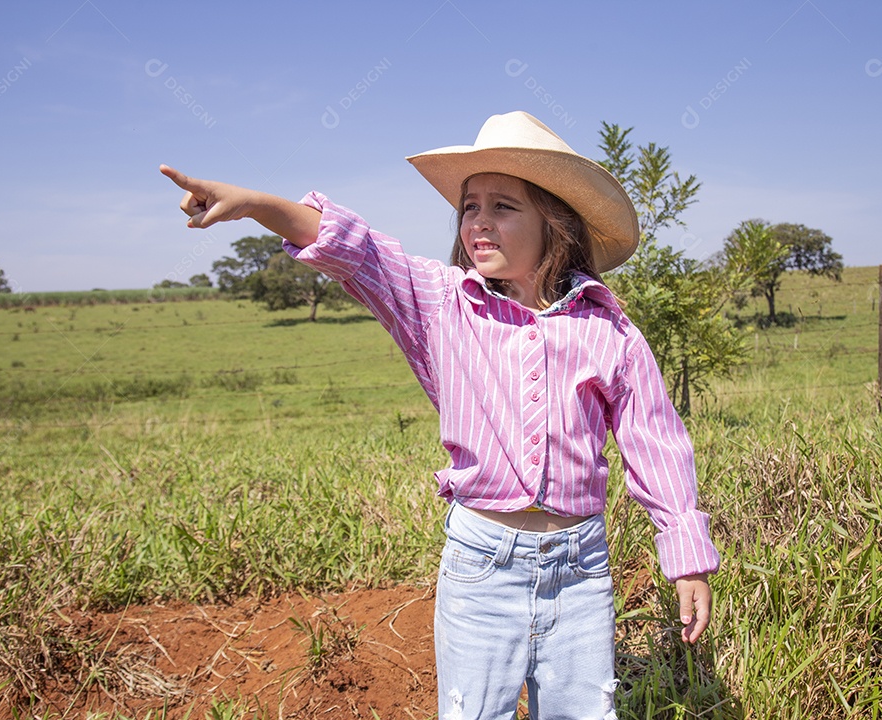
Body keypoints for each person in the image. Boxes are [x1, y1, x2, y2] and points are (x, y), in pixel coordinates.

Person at [161, 111, 719, 720]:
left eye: (503, 206)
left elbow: (654, 440)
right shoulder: (441, 305)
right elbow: (357, 250)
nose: (479, 221)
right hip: (483, 565)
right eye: (469, 206)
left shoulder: (608, 329)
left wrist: (686, 555)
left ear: (554, 222)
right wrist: (254, 204)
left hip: (580, 570)